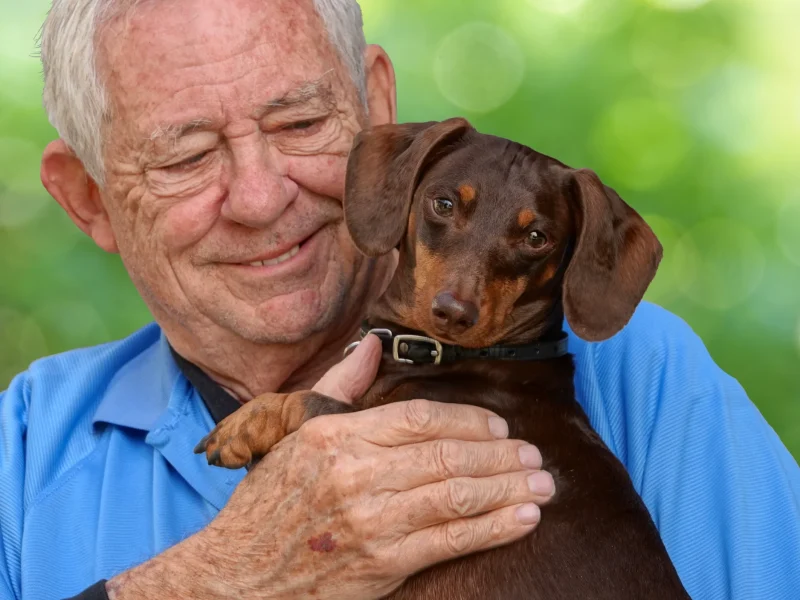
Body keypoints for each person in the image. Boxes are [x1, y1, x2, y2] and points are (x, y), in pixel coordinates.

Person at [1, 0, 798, 598]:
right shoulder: (22, 460)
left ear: (377, 106)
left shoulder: (637, 378)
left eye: (301, 121)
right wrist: (210, 581)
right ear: (88, 201)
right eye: (187, 157)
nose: (259, 197)